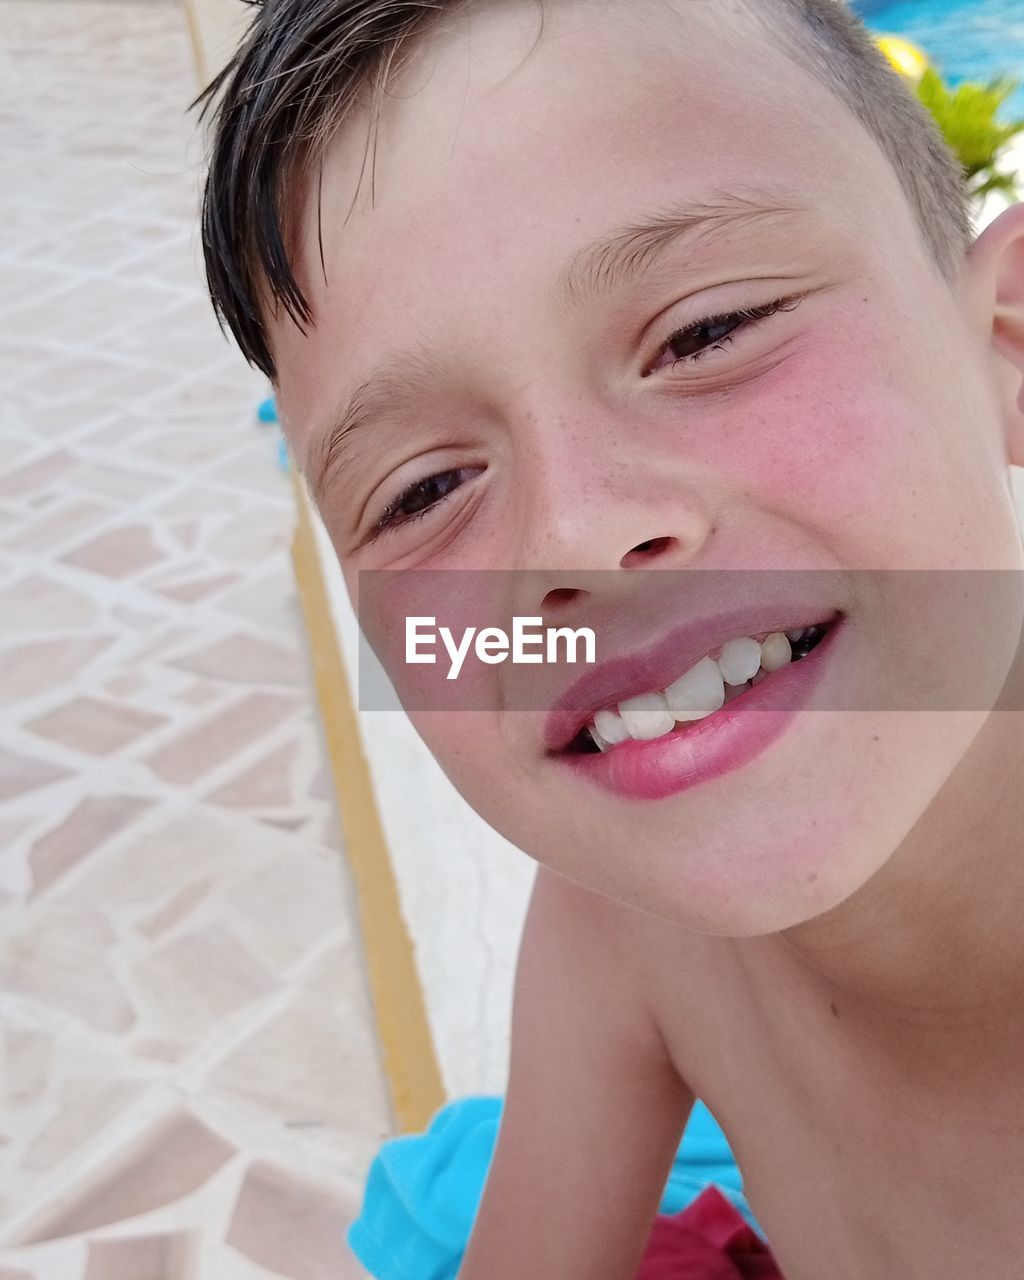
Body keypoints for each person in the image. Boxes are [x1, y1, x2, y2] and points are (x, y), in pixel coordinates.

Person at [193, 1, 1024, 1275]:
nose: (573, 531)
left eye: (707, 330)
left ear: (1004, 346)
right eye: (421, 491)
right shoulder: (619, 921)